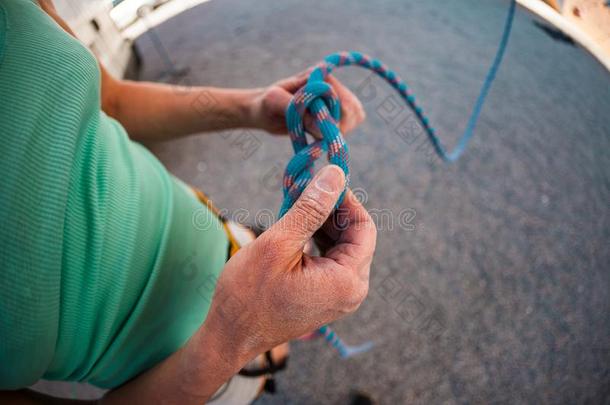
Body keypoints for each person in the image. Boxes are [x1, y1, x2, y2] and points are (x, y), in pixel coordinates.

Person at [0, 0, 376, 403]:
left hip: (216, 233)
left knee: (287, 321)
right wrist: (233, 338)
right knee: (266, 364)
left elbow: (110, 101)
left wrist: (251, 108)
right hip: (186, 377)